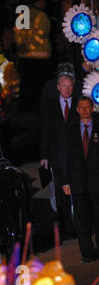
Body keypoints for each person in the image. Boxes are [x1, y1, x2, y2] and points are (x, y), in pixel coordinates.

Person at [40, 71, 79, 241]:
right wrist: (44, 155)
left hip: (76, 156)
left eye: (70, 86)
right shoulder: (50, 105)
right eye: (64, 86)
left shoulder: (79, 104)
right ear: (58, 87)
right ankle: (66, 230)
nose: (67, 89)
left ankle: (80, 226)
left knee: (77, 192)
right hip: (57, 156)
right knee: (60, 194)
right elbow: (45, 131)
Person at [61, 96, 99, 263]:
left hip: (96, 182)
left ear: (92, 108)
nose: (84, 110)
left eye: (87, 107)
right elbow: (65, 157)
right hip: (77, 183)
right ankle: (87, 253)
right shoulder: (70, 131)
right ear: (77, 110)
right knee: (81, 220)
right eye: (81, 107)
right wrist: (65, 181)